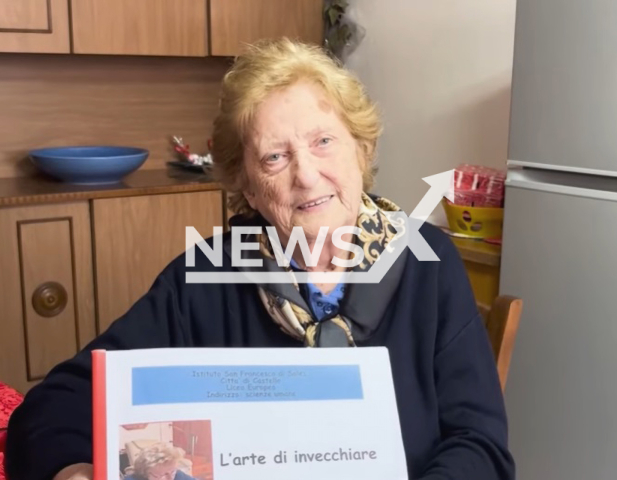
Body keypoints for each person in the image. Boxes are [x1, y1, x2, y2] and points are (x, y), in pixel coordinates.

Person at [5, 38, 515, 480]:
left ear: (361, 148)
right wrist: (74, 470)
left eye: (323, 141)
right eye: (275, 157)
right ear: (246, 184)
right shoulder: (205, 277)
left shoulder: (428, 261)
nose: (307, 175)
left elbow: (481, 446)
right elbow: (56, 407)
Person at [123, 443, 195, 480]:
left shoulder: (177, 475)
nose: (170, 478)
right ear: (146, 473)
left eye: (172, 472)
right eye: (162, 475)